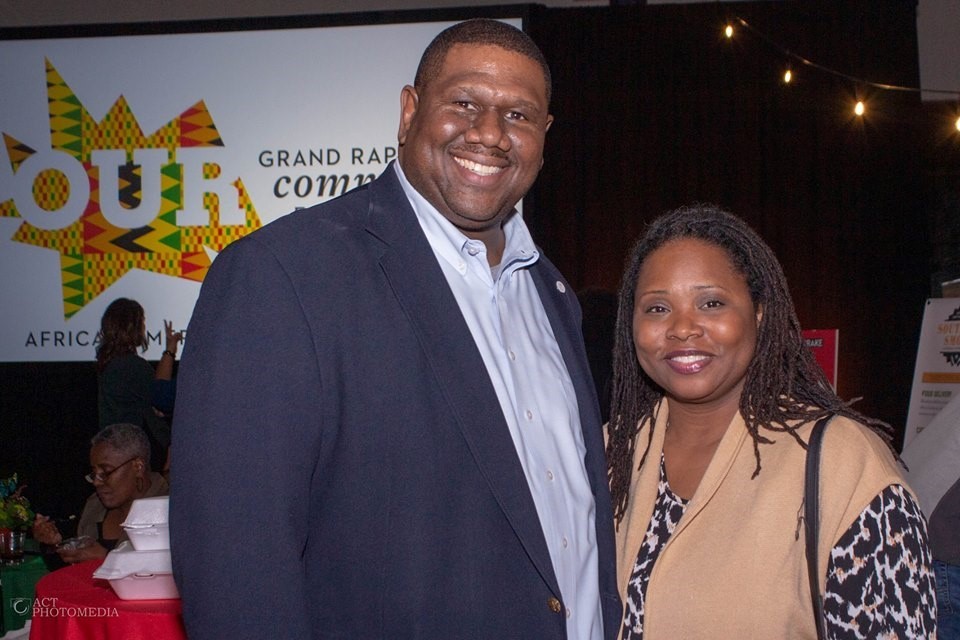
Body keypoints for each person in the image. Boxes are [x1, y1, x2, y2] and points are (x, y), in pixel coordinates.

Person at [170, 18, 620, 640]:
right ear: (409, 113)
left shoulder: (553, 294)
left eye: (518, 115)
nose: (490, 133)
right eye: (465, 103)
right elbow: (236, 570)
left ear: (543, 136)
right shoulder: (283, 274)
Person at [605, 204, 937, 639]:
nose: (682, 328)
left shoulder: (842, 463)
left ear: (759, 312)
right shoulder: (610, 452)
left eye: (711, 303)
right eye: (657, 308)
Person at [32, 423, 168, 564]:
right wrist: (54, 544)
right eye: (94, 473)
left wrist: (107, 559)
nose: (96, 482)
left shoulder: (170, 511)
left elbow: (168, 569)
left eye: (106, 472)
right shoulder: (94, 506)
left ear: (138, 467)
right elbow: (71, 569)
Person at [96, 297, 182, 471]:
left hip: (118, 452)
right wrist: (170, 351)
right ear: (133, 327)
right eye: (142, 322)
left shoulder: (109, 365)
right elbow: (160, 395)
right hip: (134, 457)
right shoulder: (132, 366)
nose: (144, 327)